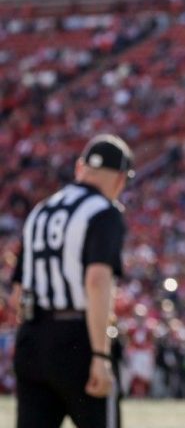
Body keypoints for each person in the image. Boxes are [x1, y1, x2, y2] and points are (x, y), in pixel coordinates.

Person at [10, 134, 134, 428]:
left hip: (32, 338)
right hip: (78, 337)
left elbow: (17, 294)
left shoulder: (40, 211)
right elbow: (97, 281)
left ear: (80, 168)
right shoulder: (104, 213)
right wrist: (100, 354)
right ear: (120, 179)